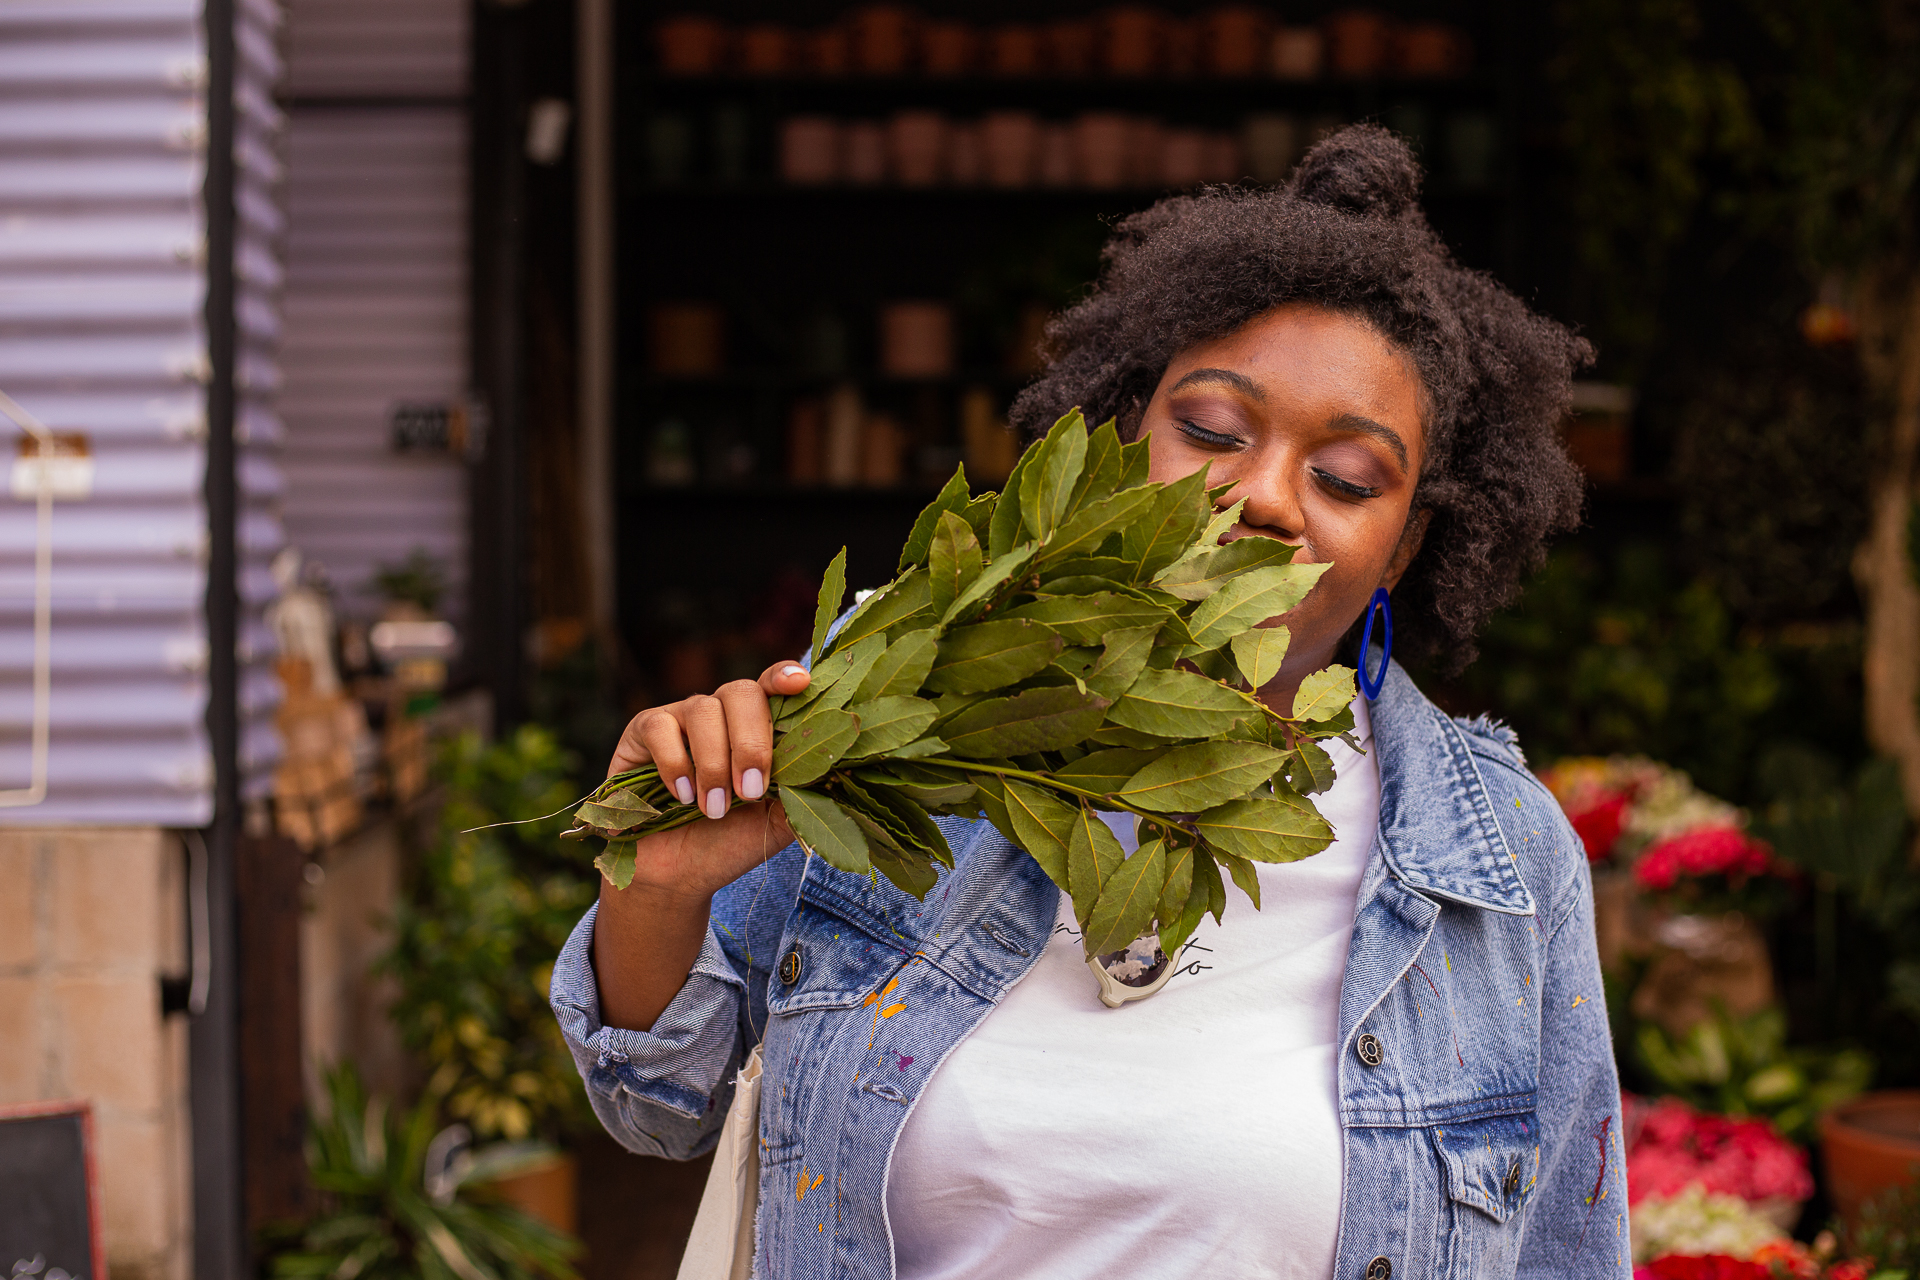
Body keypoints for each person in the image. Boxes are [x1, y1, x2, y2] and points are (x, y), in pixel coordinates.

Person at [552, 126, 1629, 1280]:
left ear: (1406, 545)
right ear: (1119, 440)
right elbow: (657, 1109)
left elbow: (1568, 1249)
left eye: (1348, 477)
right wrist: (654, 885)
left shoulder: (1503, 866)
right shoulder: (895, 729)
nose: (1263, 494)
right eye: (1212, 430)